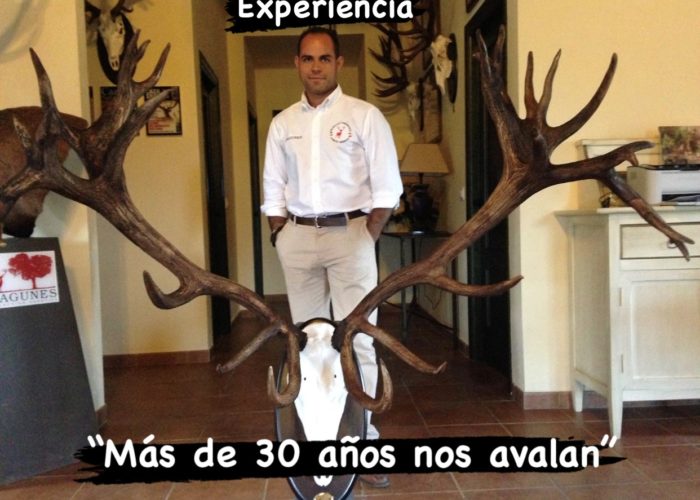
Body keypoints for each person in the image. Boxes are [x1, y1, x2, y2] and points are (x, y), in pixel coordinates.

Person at [261, 26, 403, 488]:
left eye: (325, 58)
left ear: (339, 63)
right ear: (297, 64)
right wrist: (280, 232)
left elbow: (387, 186)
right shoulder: (283, 124)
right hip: (298, 237)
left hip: (351, 234)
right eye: (308, 58)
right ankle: (318, 441)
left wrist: (367, 234)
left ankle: (364, 443)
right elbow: (272, 187)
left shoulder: (364, 116)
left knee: (358, 340)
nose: (316, 67)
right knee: (308, 344)